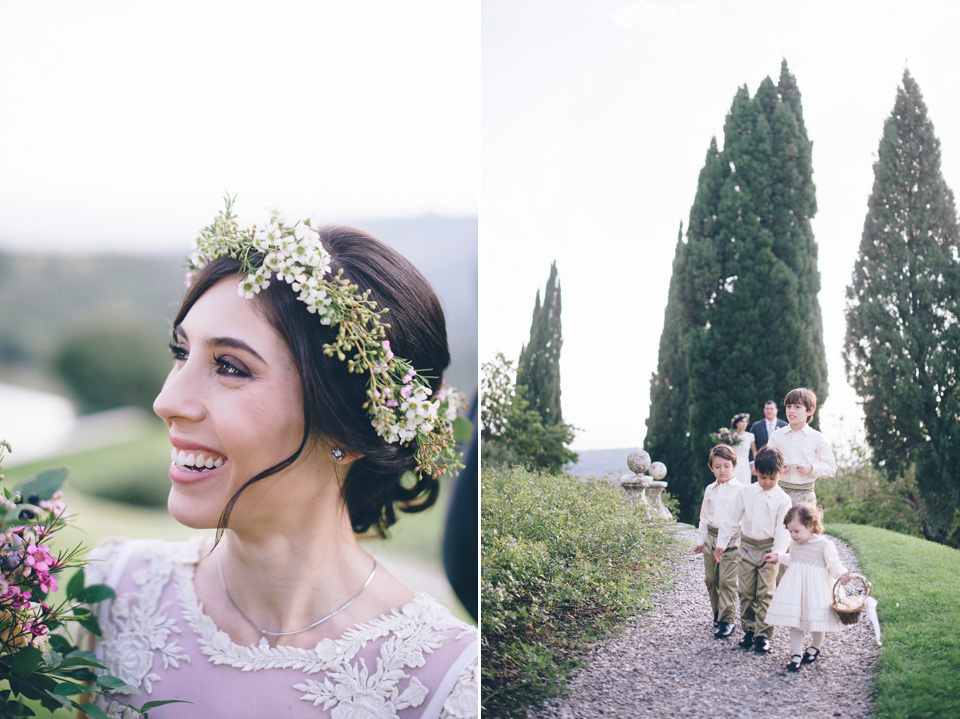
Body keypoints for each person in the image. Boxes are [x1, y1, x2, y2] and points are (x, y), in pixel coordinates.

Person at [84, 200, 479, 718]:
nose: (167, 402)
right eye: (181, 352)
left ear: (351, 425)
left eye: (229, 366)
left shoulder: (448, 683)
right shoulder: (115, 590)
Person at [714, 446, 791, 654]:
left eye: (772, 478)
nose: (767, 482)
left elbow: (783, 530)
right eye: (763, 477)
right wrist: (721, 543)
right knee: (746, 592)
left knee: (765, 592)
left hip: (769, 550)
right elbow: (731, 519)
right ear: (755, 471)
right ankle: (749, 629)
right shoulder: (745, 493)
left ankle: (763, 634)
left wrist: (778, 553)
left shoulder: (783, 499)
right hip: (747, 548)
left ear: (780, 474)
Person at [763, 504, 851, 672]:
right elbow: (794, 559)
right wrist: (778, 557)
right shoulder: (795, 543)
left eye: (796, 531)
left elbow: (833, 565)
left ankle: (814, 647)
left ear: (810, 526)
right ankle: (796, 654)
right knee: (796, 622)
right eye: (790, 532)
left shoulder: (824, 545)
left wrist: (842, 574)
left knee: (816, 621)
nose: (793, 535)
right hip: (796, 588)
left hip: (817, 589)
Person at [692, 444, 745, 639]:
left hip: (732, 541)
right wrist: (701, 539)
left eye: (726, 466)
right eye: (717, 466)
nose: (722, 470)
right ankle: (717, 613)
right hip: (711, 539)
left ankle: (727, 620)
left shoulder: (741, 490)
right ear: (711, 468)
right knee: (712, 579)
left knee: (727, 581)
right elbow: (704, 517)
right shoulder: (710, 489)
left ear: (734, 466)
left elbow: (743, 519)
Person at [766, 388, 837, 506]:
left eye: (797, 407)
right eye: (788, 406)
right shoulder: (777, 435)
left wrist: (811, 467)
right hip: (778, 493)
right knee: (778, 525)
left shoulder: (818, 438)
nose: (791, 411)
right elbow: (766, 462)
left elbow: (831, 467)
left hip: (806, 495)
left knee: (804, 525)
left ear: (809, 411)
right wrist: (778, 467)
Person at [748, 400, 787, 476]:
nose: (769, 411)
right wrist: (752, 463)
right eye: (767, 409)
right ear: (764, 410)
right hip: (761, 463)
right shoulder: (756, 426)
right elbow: (750, 447)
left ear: (776, 410)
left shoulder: (785, 426)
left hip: (779, 464)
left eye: (771, 409)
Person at [730, 413, 754, 485]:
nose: (744, 424)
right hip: (733, 463)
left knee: (745, 482)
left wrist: (754, 464)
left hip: (745, 463)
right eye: (742, 422)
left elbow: (754, 451)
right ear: (737, 423)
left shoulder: (750, 436)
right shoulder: (731, 436)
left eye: (746, 422)